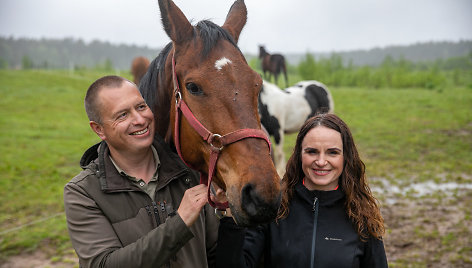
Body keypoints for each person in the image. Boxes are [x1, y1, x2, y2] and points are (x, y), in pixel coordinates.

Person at [64, 75, 219, 268]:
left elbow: (217, 251)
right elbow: (103, 264)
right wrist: (180, 223)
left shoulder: (190, 172)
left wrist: (229, 213)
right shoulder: (83, 192)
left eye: (141, 107)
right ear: (99, 129)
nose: (140, 119)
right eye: (122, 115)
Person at [214, 113, 388, 267]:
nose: (321, 161)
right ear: (299, 155)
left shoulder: (362, 216)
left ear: (346, 157)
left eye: (332, 152)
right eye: (312, 152)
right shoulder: (274, 207)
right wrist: (230, 217)